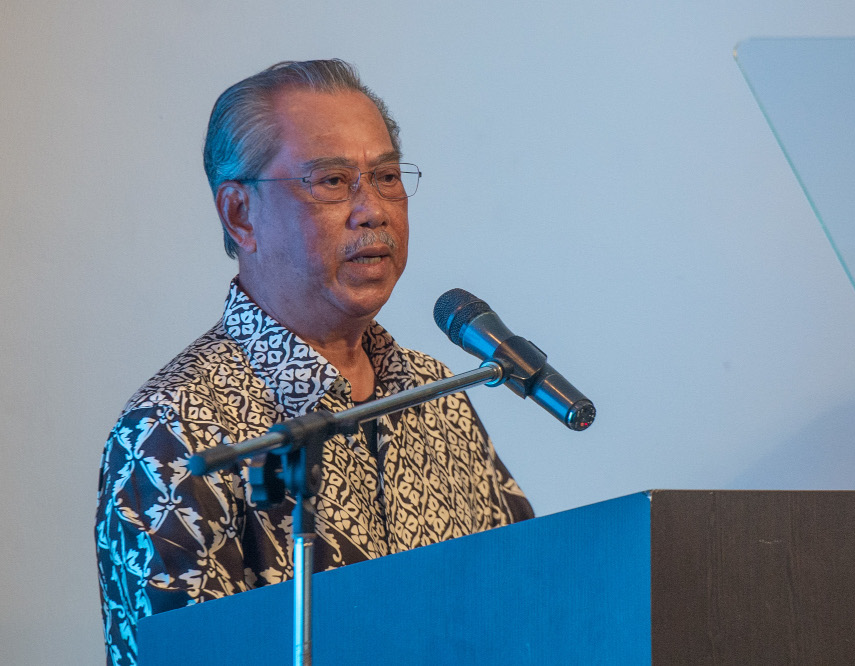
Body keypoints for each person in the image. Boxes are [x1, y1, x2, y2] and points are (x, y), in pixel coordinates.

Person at [95, 59, 533, 666]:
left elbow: (528, 602)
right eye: (331, 181)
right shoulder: (174, 431)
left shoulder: (435, 392)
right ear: (239, 215)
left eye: (385, 176)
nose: (372, 209)